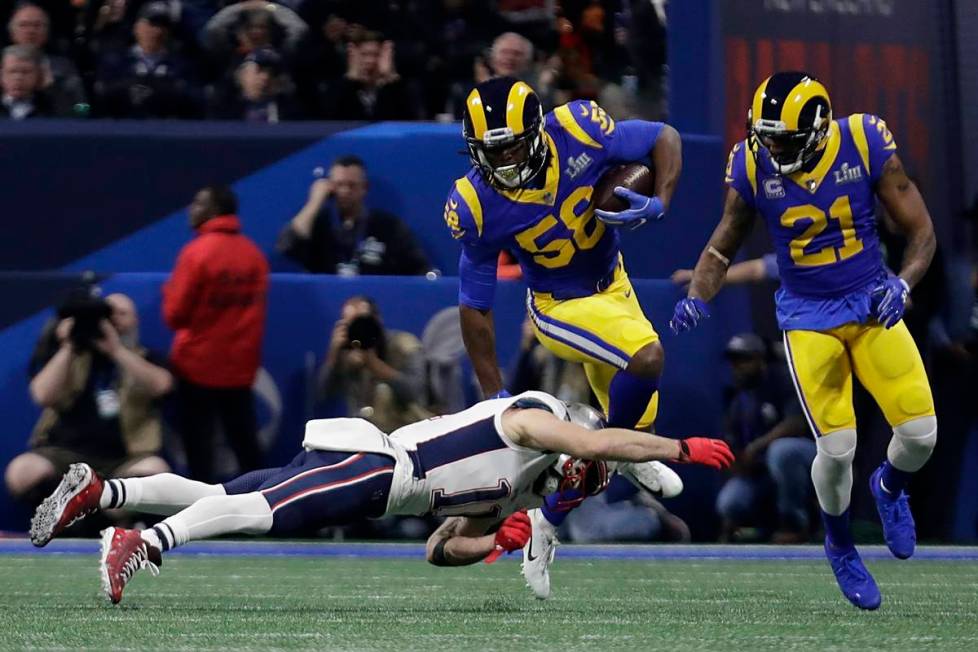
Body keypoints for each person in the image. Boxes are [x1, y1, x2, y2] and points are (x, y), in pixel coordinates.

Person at [29, 391, 733, 604]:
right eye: (582, 469)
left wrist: (494, 539)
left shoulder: (517, 484)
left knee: (223, 494)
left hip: (378, 484)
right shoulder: (530, 420)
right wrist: (674, 449)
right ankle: (141, 542)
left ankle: (105, 491)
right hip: (378, 464)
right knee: (263, 514)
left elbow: (438, 550)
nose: (576, 478)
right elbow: (596, 444)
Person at [672, 71, 938, 610]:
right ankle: (839, 545)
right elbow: (723, 246)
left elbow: (922, 230)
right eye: (764, 135)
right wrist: (700, 294)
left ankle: (887, 486)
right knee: (836, 450)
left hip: (867, 304)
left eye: (782, 139)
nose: (770, 147)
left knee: (921, 436)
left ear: (817, 133)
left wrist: (902, 283)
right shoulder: (751, 165)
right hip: (807, 317)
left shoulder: (864, 141)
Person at [443, 76, 682, 594]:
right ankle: (615, 455)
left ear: (535, 130)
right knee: (645, 357)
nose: (503, 163)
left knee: (639, 420)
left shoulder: (578, 128)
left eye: (511, 146)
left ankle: (547, 518)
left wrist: (660, 199)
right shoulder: (476, 202)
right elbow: (475, 306)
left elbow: (664, 137)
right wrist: (493, 396)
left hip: (613, 283)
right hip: (559, 307)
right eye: (492, 151)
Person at [5, 292, 172, 514]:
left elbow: (161, 385)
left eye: (122, 314)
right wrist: (69, 346)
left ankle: (113, 519)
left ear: (135, 320)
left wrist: (116, 350)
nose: (114, 321)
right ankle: (62, 517)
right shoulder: (71, 356)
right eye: (108, 314)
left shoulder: (145, 357)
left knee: (156, 473)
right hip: (65, 454)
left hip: (126, 457)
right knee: (22, 471)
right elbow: (42, 395)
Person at [163, 185, 269, 483]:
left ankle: (200, 516)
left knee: (199, 452)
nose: (191, 209)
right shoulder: (254, 255)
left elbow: (174, 315)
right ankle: (264, 509)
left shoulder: (196, 253)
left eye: (198, 202)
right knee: (246, 445)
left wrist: (168, 292)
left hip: (197, 367)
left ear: (214, 210)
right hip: (240, 369)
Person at [714, 333, 813, 543]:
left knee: (783, 451)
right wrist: (737, 462)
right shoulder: (738, 400)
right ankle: (752, 528)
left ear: (760, 359)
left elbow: (796, 424)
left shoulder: (784, 380)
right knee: (729, 502)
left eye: (745, 359)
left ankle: (794, 524)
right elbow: (734, 445)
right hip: (761, 471)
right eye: (734, 360)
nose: (738, 366)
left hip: (807, 459)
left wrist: (756, 447)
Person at [277, 155, 431, 275]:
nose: (344, 191)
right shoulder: (318, 223)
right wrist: (314, 202)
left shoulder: (388, 226)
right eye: (339, 184)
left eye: (352, 185)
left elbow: (419, 269)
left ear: (365, 187)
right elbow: (287, 246)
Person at [319, 295, 430, 432]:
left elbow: (415, 393)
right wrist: (334, 354)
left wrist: (374, 364)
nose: (358, 329)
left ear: (377, 320)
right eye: (351, 324)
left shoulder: (404, 345)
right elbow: (322, 393)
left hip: (406, 430)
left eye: (362, 322)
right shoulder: (346, 351)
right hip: (364, 433)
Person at [94, 2, 201, 119]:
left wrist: (159, 89)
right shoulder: (117, 62)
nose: (157, 31)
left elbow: (194, 99)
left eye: (163, 25)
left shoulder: (181, 66)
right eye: (152, 24)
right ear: (137, 27)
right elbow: (101, 96)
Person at [317, 31, 422, 121]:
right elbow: (328, 120)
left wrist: (391, 77)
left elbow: (410, 122)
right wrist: (351, 79)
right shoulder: (335, 88)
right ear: (352, 56)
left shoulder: (400, 88)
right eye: (364, 55)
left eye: (376, 55)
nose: (370, 61)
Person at [6, 2, 86, 116]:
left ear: (47, 31)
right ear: (12, 32)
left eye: (37, 25)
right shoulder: (2, 64)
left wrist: (54, 91)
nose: (31, 31)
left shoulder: (64, 68)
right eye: (24, 25)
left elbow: (83, 109)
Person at [208, 47, 301, 122]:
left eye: (273, 73)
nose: (266, 77)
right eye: (259, 70)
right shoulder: (222, 110)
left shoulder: (292, 113)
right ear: (241, 75)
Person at [0, 44, 55, 119]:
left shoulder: (52, 106)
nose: (18, 77)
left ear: (38, 75)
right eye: (12, 71)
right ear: (2, 75)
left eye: (25, 72)